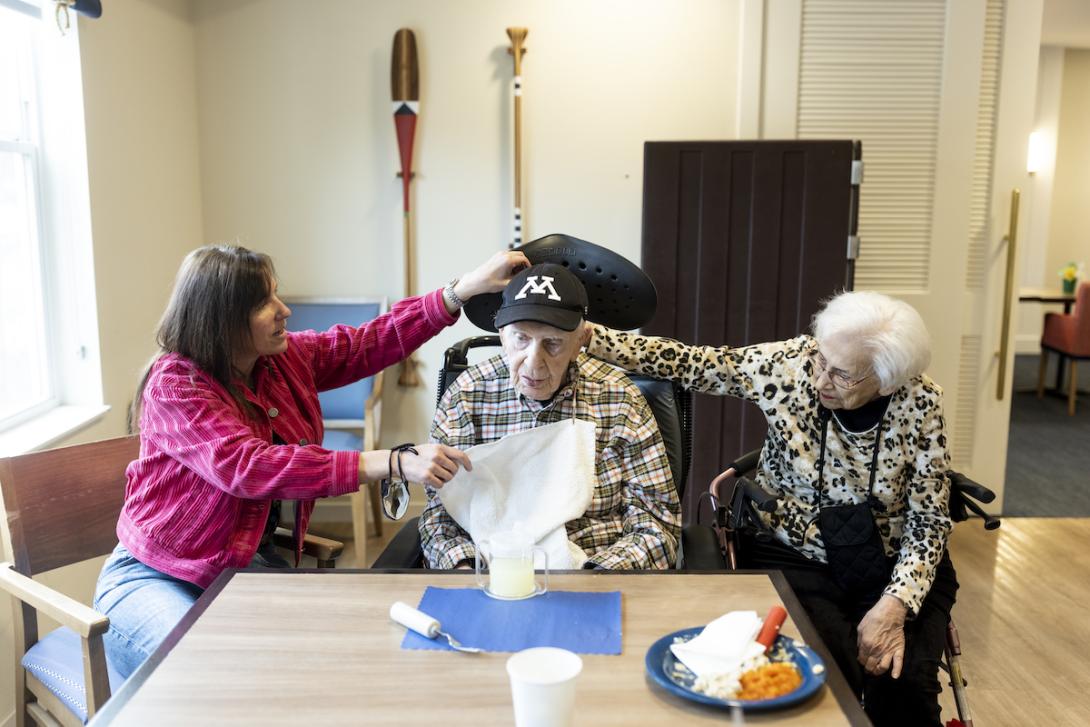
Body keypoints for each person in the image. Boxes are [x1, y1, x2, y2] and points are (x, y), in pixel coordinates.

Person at [93, 243, 529, 678]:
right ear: (222, 318)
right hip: (155, 578)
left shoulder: (282, 361)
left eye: (276, 294)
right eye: (265, 302)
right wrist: (391, 461)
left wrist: (464, 290)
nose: (284, 310)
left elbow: (369, 341)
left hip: (240, 575)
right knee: (205, 675)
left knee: (314, 671)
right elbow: (248, 467)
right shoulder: (175, 384)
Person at [587, 291, 956, 727]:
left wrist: (896, 604)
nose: (820, 381)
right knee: (816, 672)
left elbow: (928, 518)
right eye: (821, 360)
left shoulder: (922, 404)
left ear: (888, 381)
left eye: (842, 375)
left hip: (894, 563)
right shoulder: (790, 365)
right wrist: (586, 336)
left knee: (905, 686)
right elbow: (693, 363)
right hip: (796, 551)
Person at [419, 263, 681, 570]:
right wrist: (464, 570)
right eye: (521, 339)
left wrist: (596, 577)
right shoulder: (467, 395)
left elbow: (657, 523)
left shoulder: (620, 398)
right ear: (502, 334)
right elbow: (440, 517)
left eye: (553, 343)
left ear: (580, 342)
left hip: (596, 573)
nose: (533, 363)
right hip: (491, 574)